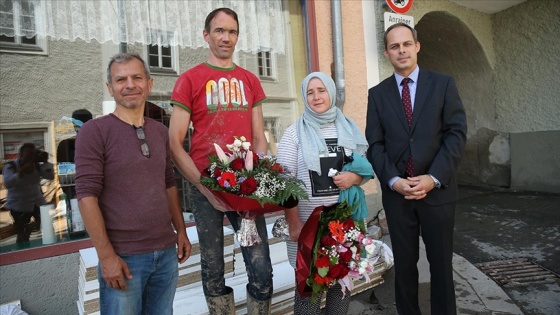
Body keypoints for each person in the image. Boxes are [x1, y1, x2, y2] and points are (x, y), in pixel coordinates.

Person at [168, 7, 273, 314]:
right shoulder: (190, 80)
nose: (226, 37)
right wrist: (205, 189)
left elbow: (258, 137)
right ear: (206, 35)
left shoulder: (250, 80)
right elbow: (174, 143)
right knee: (213, 270)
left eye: (232, 32)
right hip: (206, 186)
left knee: (261, 268)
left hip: (245, 187)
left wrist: (262, 180)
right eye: (219, 31)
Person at [75, 53, 191, 314]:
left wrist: (180, 231)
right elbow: (86, 196)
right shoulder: (94, 132)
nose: (130, 85)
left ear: (149, 84)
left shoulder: (160, 131)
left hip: (165, 254)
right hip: (124, 257)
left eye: (137, 77)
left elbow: (168, 183)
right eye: (121, 79)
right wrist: (106, 257)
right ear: (110, 88)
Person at [365, 23, 467, 314]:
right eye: (395, 46)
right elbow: (375, 144)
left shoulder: (443, 84)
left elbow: (456, 133)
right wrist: (393, 180)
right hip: (398, 196)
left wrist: (434, 178)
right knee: (405, 267)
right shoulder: (378, 94)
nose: (402, 51)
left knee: (441, 265)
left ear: (417, 46)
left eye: (406, 44)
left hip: (438, 193)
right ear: (387, 53)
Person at [276, 72, 370, 314]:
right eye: (310, 92)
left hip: (345, 224)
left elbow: (364, 168)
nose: (316, 97)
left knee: (340, 287)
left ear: (331, 93)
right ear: (304, 97)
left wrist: (354, 178)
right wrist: (294, 221)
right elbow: (283, 182)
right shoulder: (293, 133)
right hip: (307, 227)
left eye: (321, 90)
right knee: (308, 291)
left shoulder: (349, 129)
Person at [3, 143, 54, 243]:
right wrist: (21, 172)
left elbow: (50, 176)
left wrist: (45, 162)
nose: (29, 159)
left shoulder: (36, 166)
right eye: (27, 156)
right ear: (20, 155)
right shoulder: (11, 166)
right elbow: (8, 184)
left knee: (47, 226)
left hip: (37, 203)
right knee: (23, 233)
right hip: (19, 205)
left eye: (32, 156)